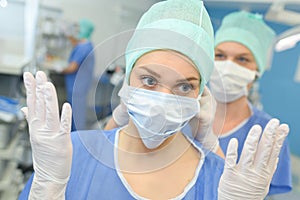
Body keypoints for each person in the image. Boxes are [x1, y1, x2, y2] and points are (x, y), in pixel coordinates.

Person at [18, 1, 289, 199]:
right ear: (127, 81)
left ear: (201, 95)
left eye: (184, 86)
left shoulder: (221, 180)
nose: (162, 100)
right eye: (149, 80)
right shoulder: (71, 154)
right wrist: (48, 186)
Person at [209, 10, 292, 196]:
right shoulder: (182, 117)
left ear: (257, 70)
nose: (228, 66)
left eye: (242, 59)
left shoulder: (270, 135)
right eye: (220, 56)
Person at [60, 19, 95, 131]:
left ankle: (77, 142)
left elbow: (72, 67)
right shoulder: (85, 45)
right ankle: (73, 139)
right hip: (78, 86)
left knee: (77, 116)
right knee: (75, 114)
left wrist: (59, 69)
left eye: (78, 29)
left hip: (77, 87)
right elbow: (74, 41)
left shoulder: (83, 47)